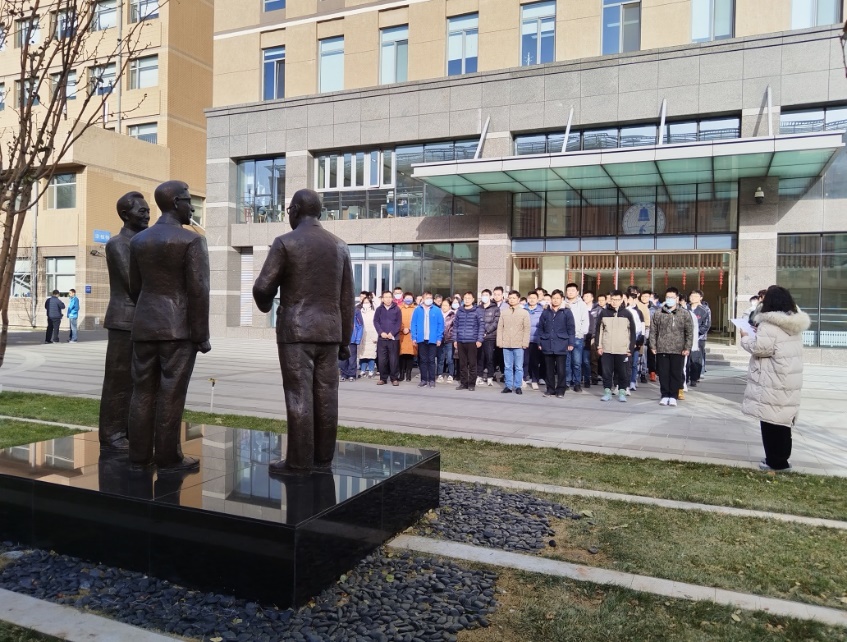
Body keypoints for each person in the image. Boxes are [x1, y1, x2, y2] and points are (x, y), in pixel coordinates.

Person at [130, 180, 211, 472]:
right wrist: (201, 335)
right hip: (177, 329)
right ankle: (168, 457)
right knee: (171, 393)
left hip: (144, 325)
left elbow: (135, 287)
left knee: (142, 391)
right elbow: (198, 291)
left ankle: (138, 455)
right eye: (189, 201)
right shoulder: (191, 240)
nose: (192, 208)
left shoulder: (138, 241)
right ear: (176, 202)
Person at [99, 191, 150, 453]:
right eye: (142, 211)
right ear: (124, 215)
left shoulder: (142, 243)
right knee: (118, 380)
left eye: (148, 210)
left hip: (141, 321)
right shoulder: (118, 244)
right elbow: (134, 284)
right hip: (124, 320)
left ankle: (130, 430)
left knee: (138, 380)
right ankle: (112, 434)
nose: (147, 215)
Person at [739, 285, 810, 472]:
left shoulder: (769, 324)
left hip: (772, 379)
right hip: (788, 377)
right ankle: (782, 459)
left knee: (770, 421)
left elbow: (760, 348)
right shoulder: (793, 322)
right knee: (783, 421)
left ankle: (774, 462)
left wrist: (745, 337)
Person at [649, 287, 693, 407]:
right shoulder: (659, 313)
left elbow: (689, 332)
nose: (670, 299)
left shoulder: (684, 313)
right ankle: (664, 395)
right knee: (663, 373)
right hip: (662, 347)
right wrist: (653, 345)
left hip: (678, 349)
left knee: (676, 373)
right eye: (668, 297)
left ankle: (673, 396)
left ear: (677, 299)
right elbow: (653, 331)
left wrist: (687, 347)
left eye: (672, 297)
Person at [596, 290, 637, 403]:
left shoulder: (627, 314)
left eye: (617, 300)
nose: (615, 302)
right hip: (607, 348)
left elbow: (632, 332)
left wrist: (630, 348)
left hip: (622, 349)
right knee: (606, 372)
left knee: (623, 372)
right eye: (613, 299)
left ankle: (622, 392)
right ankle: (607, 392)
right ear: (610, 299)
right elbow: (599, 330)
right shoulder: (604, 313)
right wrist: (599, 346)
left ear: (622, 300)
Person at [537, 289, 576, 398]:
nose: (555, 300)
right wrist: (539, 342)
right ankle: (550, 389)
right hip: (547, 343)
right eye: (553, 298)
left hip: (561, 343)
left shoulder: (567, 312)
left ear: (562, 299)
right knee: (549, 369)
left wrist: (571, 343)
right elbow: (540, 328)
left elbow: (571, 329)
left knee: (561, 369)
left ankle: (560, 390)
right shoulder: (546, 311)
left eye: (558, 298)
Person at [497, 290, 530, 395]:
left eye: (514, 298)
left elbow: (527, 329)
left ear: (518, 299)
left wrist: (525, 342)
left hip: (519, 344)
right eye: (510, 298)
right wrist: (500, 341)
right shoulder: (504, 312)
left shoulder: (524, 313)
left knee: (518, 367)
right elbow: (500, 328)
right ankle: (508, 386)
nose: (511, 300)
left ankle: (518, 386)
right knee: (507, 366)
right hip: (506, 343)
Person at [411, 291, 444, 388]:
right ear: (423, 299)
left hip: (432, 339)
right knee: (423, 360)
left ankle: (432, 380)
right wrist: (414, 337)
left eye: (430, 298)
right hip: (421, 339)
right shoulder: (417, 310)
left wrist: (439, 338)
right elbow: (413, 324)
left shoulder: (437, 310)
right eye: (427, 298)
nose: (429, 299)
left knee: (431, 360)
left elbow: (440, 325)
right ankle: (424, 380)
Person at [453, 291, 483, 391]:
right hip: (461, 341)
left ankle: (471, 384)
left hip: (472, 341)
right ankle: (463, 383)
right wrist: (455, 339)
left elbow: (481, 326)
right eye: (465, 298)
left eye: (469, 298)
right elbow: (455, 326)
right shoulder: (459, 311)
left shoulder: (477, 311)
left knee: (472, 363)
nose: (467, 300)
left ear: (473, 299)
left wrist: (479, 339)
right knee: (462, 364)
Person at [564, 283, 589, 393]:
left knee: (577, 362)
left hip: (577, 337)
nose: (570, 292)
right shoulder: (562, 303)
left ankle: (577, 383)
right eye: (568, 290)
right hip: (564, 337)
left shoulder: (582, 304)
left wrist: (581, 333)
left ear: (577, 292)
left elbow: (585, 320)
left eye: (572, 290)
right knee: (566, 362)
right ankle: (566, 382)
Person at [373, 290, 401, 385]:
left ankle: (394, 378)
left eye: (389, 297)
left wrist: (392, 333)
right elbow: (376, 321)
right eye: (386, 297)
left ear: (392, 298)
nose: (388, 299)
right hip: (382, 338)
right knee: (382, 359)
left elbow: (398, 323)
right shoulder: (379, 309)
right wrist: (381, 332)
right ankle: (383, 378)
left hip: (393, 338)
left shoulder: (397, 309)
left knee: (394, 359)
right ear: (382, 299)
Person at [476, 289, 500, 386]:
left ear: (490, 296)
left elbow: (496, 322)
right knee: (480, 357)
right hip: (479, 337)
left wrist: (486, 331)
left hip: (490, 337)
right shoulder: (478, 308)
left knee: (489, 357)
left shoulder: (495, 308)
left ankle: (490, 376)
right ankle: (479, 376)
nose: (484, 297)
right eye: (483, 295)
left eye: (486, 295)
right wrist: (480, 332)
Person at [524, 291, 545, 390]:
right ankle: (524, 378)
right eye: (530, 298)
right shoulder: (523, 310)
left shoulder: (542, 311)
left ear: (537, 299)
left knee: (535, 362)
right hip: (525, 339)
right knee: (525, 361)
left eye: (534, 298)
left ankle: (534, 380)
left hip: (536, 339)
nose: (532, 300)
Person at [689, 289, 711, 379]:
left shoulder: (705, 310)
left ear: (701, 298)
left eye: (696, 296)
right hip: (687, 337)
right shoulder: (686, 308)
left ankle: (698, 373)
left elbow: (706, 325)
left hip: (699, 337)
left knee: (698, 356)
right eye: (692, 296)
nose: (693, 298)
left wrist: (697, 333)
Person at [339, 307, 364, 382]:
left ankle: (352, 374)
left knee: (352, 358)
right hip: (341, 339)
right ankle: (343, 374)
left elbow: (360, 325)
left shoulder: (356, 311)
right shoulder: (339, 309)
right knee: (342, 358)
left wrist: (358, 338)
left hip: (352, 339)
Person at [583, 291, 601, 389]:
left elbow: (599, 323)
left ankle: (594, 377)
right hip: (583, 336)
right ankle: (583, 377)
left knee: (593, 358)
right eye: (584, 296)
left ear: (592, 298)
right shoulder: (581, 308)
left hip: (593, 336)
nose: (585, 297)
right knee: (583, 359)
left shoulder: (597, 309)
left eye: (587, 296)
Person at [437, 299, 457, 382]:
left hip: (450, 339)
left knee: (450, 359)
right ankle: (439, 374)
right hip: (440, 339)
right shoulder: (438, 313)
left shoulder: (453, 315)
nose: (444, 307)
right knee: (440, 358)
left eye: (446, 305)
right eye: (443, 305)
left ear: (449, 306)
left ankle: (451, 375)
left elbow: (455, 327)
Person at [399, 292, 417, 381]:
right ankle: (401, 374)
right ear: (403, 298)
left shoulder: (415, 309)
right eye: (407, 298)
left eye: (410, 298)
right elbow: (397, 320)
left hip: (411, 334)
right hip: (401, 334)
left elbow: (416, 321)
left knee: (410, 355)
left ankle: (409, 374)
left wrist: (409, 329)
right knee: (401, 355)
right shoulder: (399, 308)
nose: (408, 300)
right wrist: (402, 329)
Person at [358, 295, 378, 377]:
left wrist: (376, 336)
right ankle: (362, 370)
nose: (366, 304)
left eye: (367, 302)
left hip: (371, 336)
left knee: (371, 355)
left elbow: (376, 325)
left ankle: (371, 370)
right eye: (364, 302)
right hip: (362, 336)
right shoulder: (359, 312)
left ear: (370, 303)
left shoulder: (374, 313)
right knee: (362, 355)